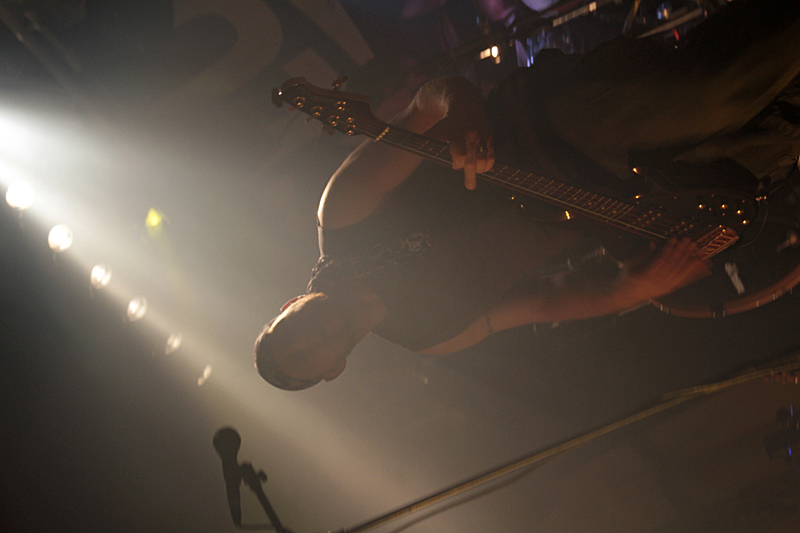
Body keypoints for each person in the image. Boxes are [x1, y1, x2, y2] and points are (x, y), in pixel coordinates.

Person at [255, 0, 800, 391]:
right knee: (766, 149)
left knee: (717, 97)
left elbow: (429, 101)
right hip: (615, 205)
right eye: (306, 359)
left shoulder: (342, 214)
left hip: (556, 124)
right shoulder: (431, 336)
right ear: (333, 370)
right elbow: (549, 300)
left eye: (289, 335)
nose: (309, 340)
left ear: (287, 307)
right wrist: (634, 288)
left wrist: (465, 113)